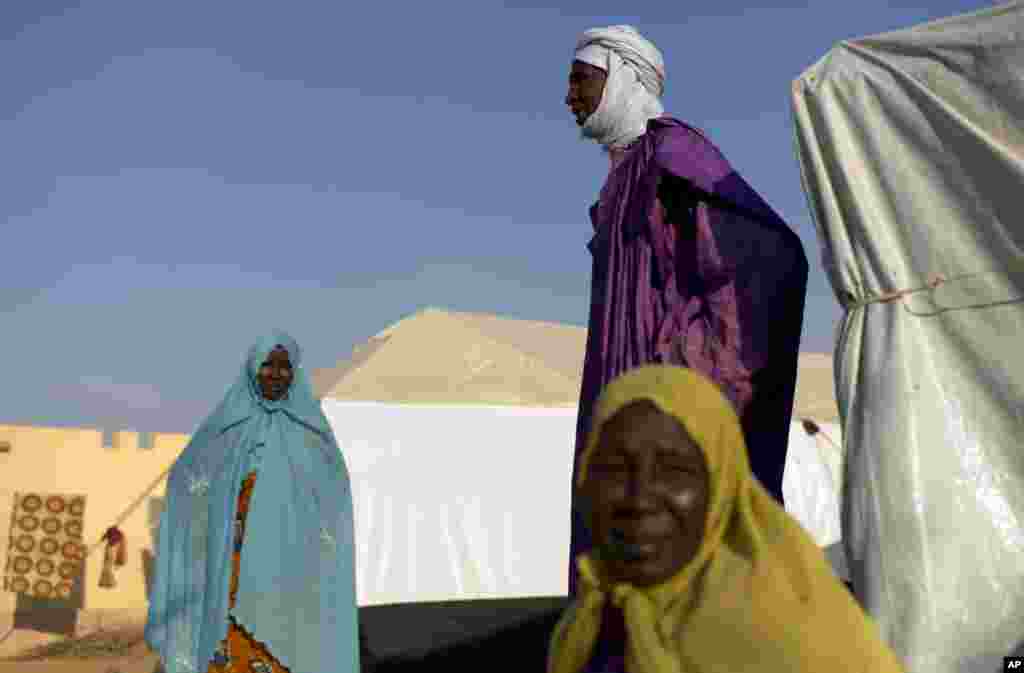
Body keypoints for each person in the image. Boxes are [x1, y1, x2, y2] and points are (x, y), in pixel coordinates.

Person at [563, 25, 808, 593]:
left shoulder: (673, 153)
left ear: (623, 76)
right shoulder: (622, 177)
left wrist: (678, 368)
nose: (568, 97)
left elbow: (766, 259)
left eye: (581, 79)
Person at [547, 365, 904, 673]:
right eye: (614, 469)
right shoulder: (593, 614)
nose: (639, 499)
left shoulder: (784, 641)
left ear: (721, 486)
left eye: (674, 471)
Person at [145, 331, 360, 673]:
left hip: (287, 572)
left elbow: (333, 497)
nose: (276, 374)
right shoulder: (227, 426)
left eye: (284, 366)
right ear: (252, 369)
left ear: (296, 372)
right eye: (267, 365)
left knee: (283, 649)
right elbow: (187, 478)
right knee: (229, 646)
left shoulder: (311, 432)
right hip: (229, 567)